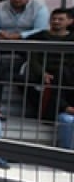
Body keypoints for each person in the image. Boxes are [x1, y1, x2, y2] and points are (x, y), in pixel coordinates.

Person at [26, 7, 74, 142]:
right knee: (24, 80)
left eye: (61, 19)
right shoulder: (40, 36)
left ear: (70, 21)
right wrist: (43, 73)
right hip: (42, 71)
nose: (56, 22)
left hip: (67, 74)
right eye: (54, 19)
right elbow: (33, 59)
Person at [0, 0, 50, 83]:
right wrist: (0, 33)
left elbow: (41, 29)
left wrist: (21, 35)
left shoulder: (40, 9)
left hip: (28, 43)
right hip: (2, 41)